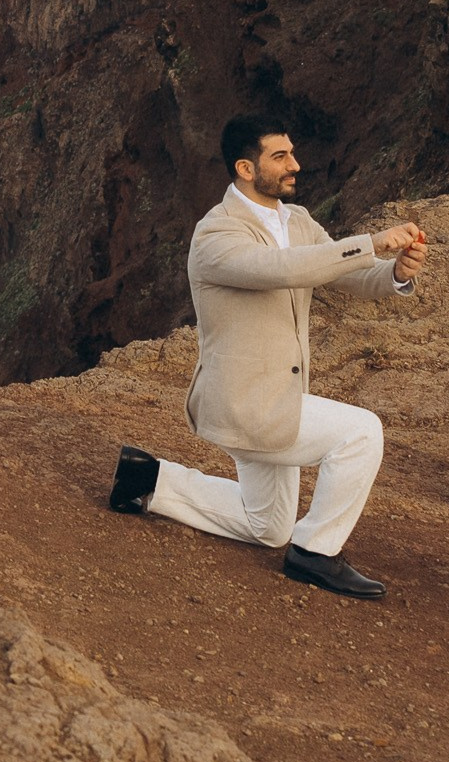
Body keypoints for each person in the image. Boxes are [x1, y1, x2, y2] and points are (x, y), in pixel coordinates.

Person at [106, 115, 428, 601]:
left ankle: (148, 479)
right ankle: (316, 553)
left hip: (277, 396)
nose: (295, 164)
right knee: (362, 432)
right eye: (280, 156)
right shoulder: (215, 235)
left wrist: (394, 274)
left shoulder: (297, 222)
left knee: (268, 526)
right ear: (245, 168)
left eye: (292, 153)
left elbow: (340, 274)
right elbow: (279, 269)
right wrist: (368, 243)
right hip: (244, 402)